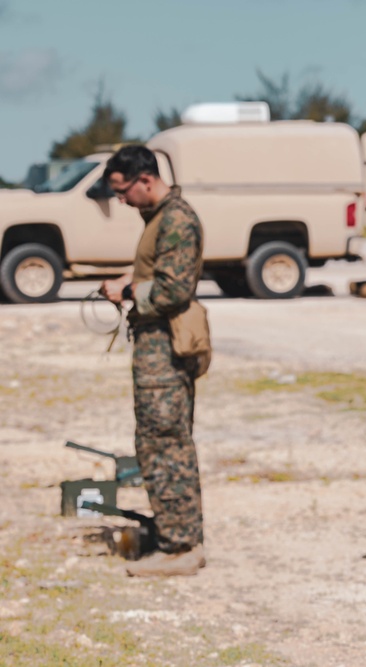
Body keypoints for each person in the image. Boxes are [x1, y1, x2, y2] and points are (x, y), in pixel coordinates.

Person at [100, 145, 206, 577]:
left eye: (123, 191)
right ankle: (174, 539)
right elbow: (159, 275)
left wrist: (127, 293)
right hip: (154, 350)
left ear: (145, 179)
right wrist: (131, 280)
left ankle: (182, 547)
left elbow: (173, 290)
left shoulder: (176, 219)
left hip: (165, 350)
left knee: (166, 446)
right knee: (155, 444)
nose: (121, 200)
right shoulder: (159, 219)